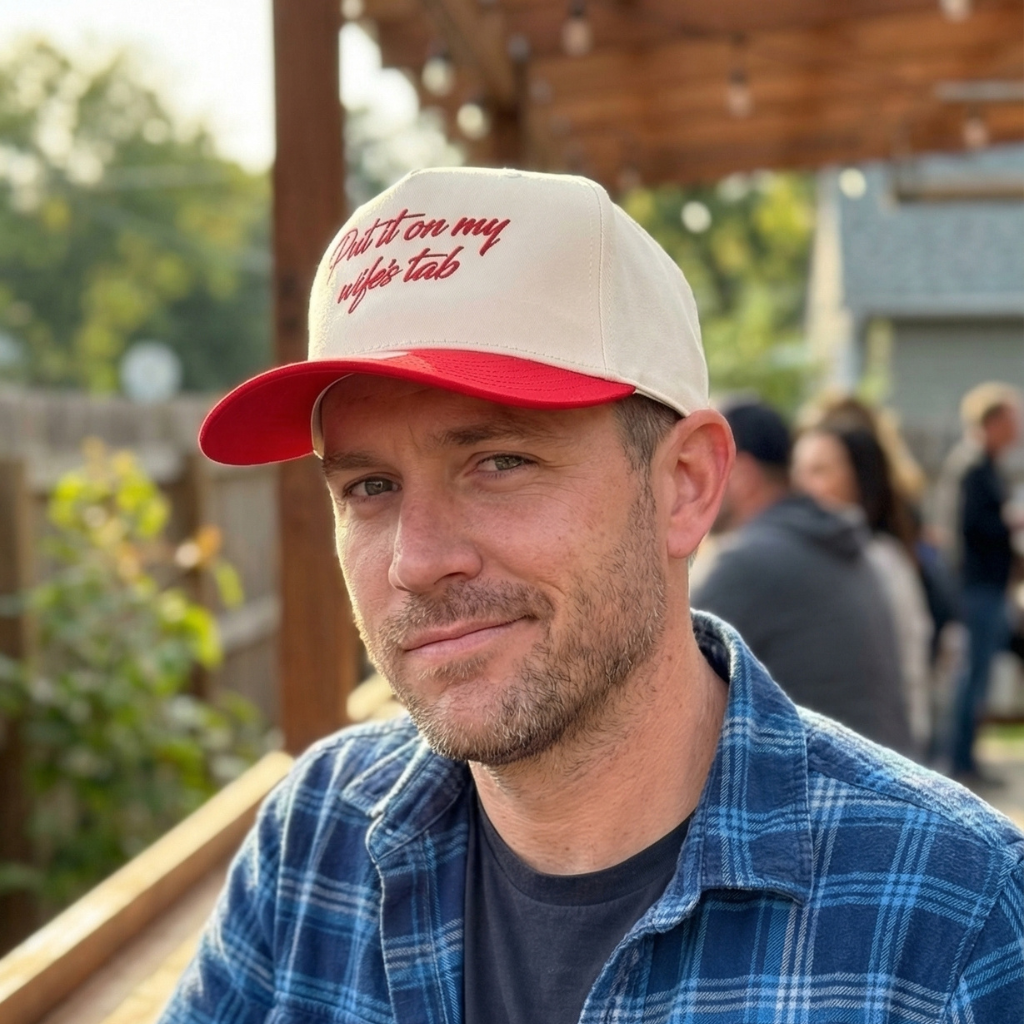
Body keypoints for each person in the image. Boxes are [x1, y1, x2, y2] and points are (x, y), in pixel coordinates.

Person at [160, 168, 1023, 1024]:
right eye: (369, 487)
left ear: (685, 485)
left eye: (500, 462)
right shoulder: (315, 837)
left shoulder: (952, 923)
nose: (415, 562)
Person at [692, 401, 912, 754]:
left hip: (821, 780)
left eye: (700, 468)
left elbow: (662, 691)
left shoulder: (749, 561)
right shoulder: (827, 540)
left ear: (743, 475)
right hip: (878, 772)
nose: (689, 486)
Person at [791, 422, 934, 757]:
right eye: (798, 469)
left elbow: (910, 667)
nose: (801, 484)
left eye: (819, 470)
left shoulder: (881, 561)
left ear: (858, 478)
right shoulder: (786, 557)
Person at [947, 384, 1022, 786]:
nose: (1018, 428)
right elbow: (971, 528)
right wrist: (1010, 523)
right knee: (972, 676)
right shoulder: (973, 468)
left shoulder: (988, 467)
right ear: (991, 423)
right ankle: (959, 762)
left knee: (979, 676)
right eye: (1011, 420)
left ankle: (967, 759)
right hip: (978, 588)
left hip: (990, 587)